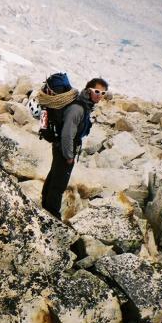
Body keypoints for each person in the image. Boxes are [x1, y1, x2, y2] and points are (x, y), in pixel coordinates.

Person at [41, 77, 109, 219]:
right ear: (88, 90)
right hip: (64, 148)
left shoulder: (85, 104)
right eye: (97, 91)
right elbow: (67, 134)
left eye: (103, 93)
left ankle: (44, 206)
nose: (100, 95)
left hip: (61, 146)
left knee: (54, 175)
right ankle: (51, 216)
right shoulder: (78, 108)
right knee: (59, 184)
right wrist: (69, 156)